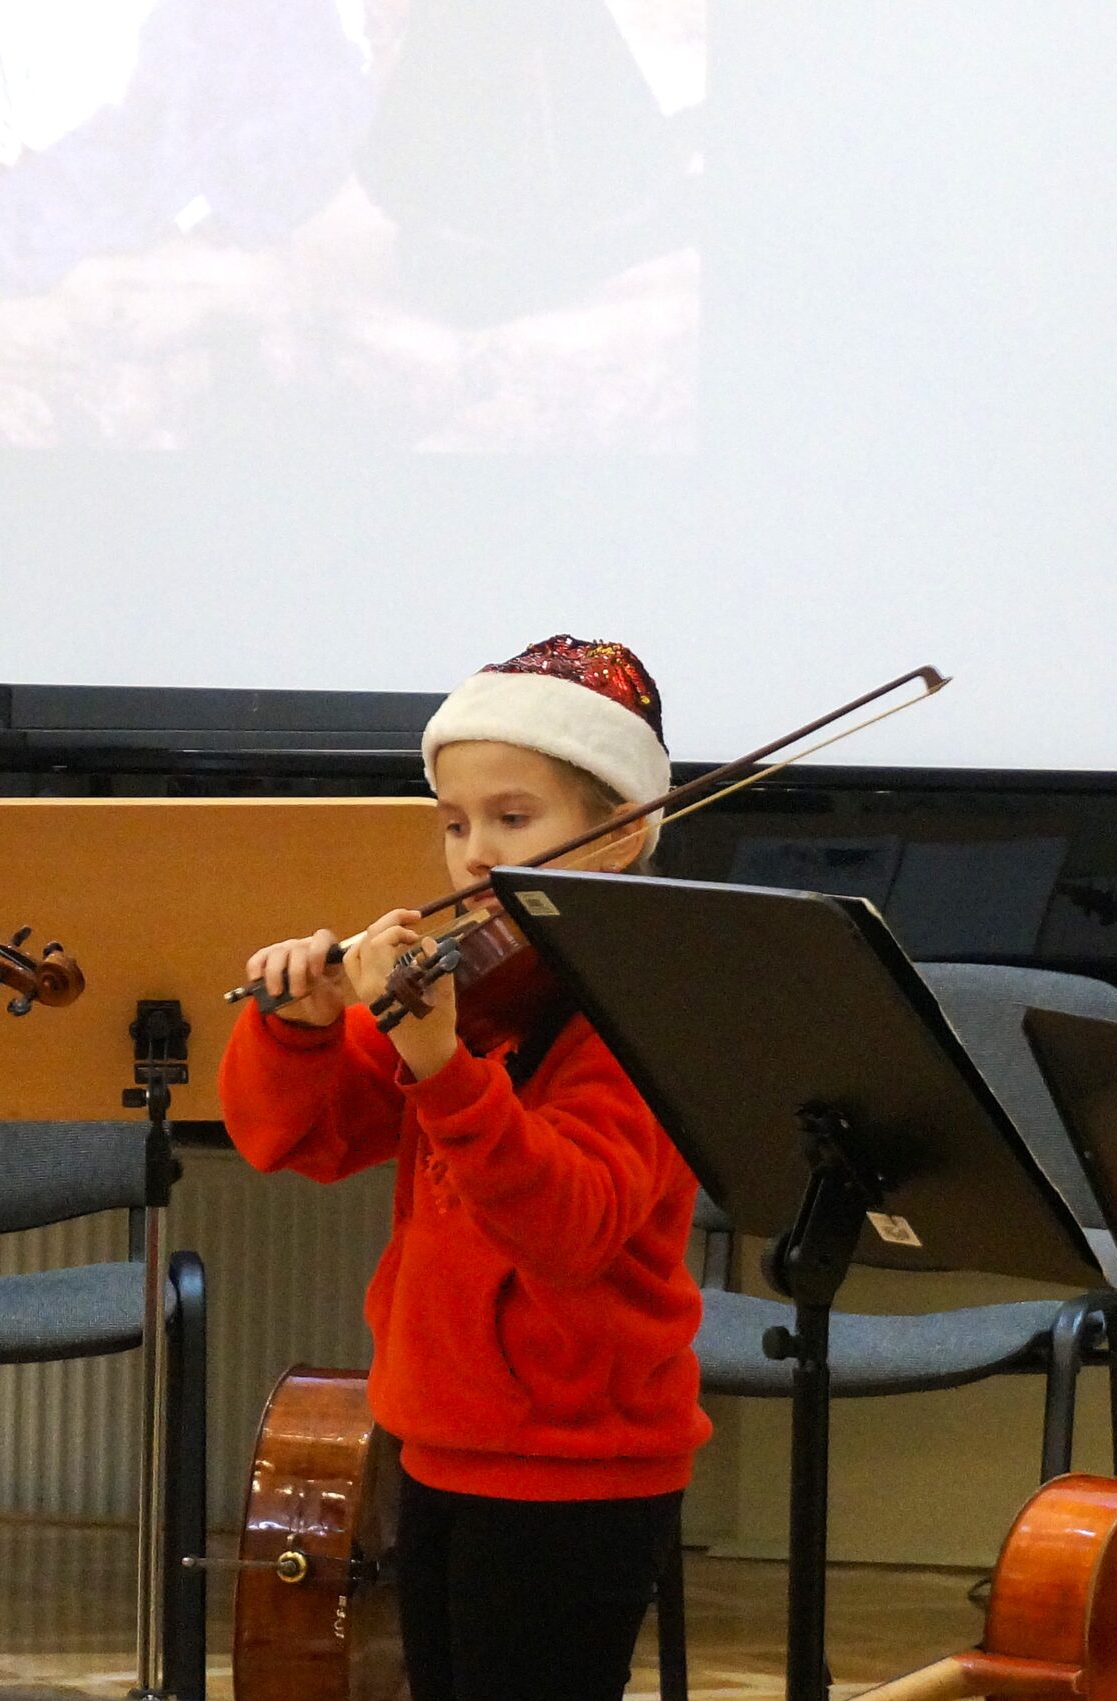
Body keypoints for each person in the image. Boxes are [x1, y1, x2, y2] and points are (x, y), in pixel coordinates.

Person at [221, 634, 705, 1701]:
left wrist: (439, 1063)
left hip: (577, 1463)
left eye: (513, 818)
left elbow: (569, 1224)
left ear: (620, 836)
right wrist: (298, 1030)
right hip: (436, 1433)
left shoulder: (645, 1012)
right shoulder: (474, 990)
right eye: (454, 823)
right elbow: (294, 1137)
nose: (472, 854)